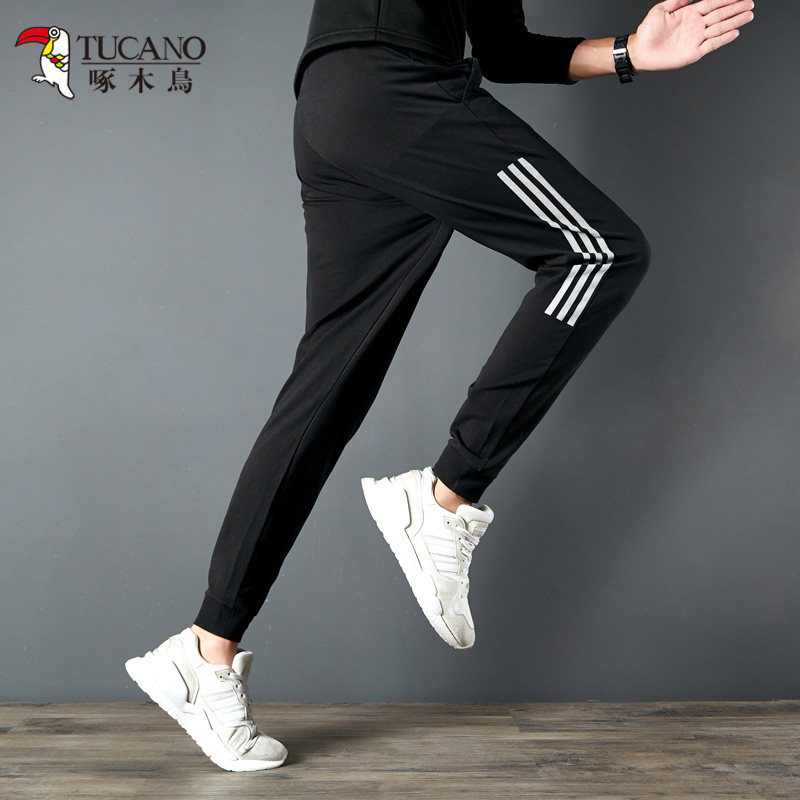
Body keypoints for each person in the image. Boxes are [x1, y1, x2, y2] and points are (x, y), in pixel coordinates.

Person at [124, 0, 754, 772]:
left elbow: (503, 48)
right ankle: (442, 497)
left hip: (336, 103)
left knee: (327, 389)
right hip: (396, 88)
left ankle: (204, 649)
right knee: (600, 252)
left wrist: (628, 52)